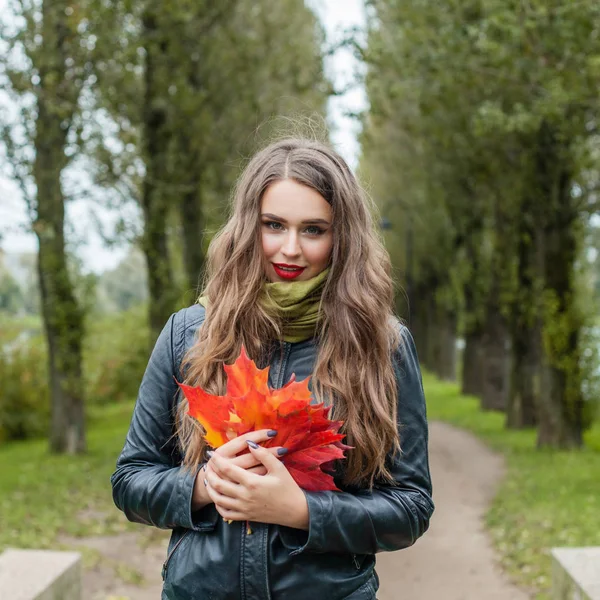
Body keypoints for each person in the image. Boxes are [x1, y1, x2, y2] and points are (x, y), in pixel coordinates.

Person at [111, 137, 434, 600]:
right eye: (274, 225)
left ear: (342, 237)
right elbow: (131, 480)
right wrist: (203, 487)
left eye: (314, 230)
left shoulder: (382, 344)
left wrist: (302, 511)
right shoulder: (189, 333)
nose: (290, 249)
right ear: (248, 226)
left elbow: (410, 507)